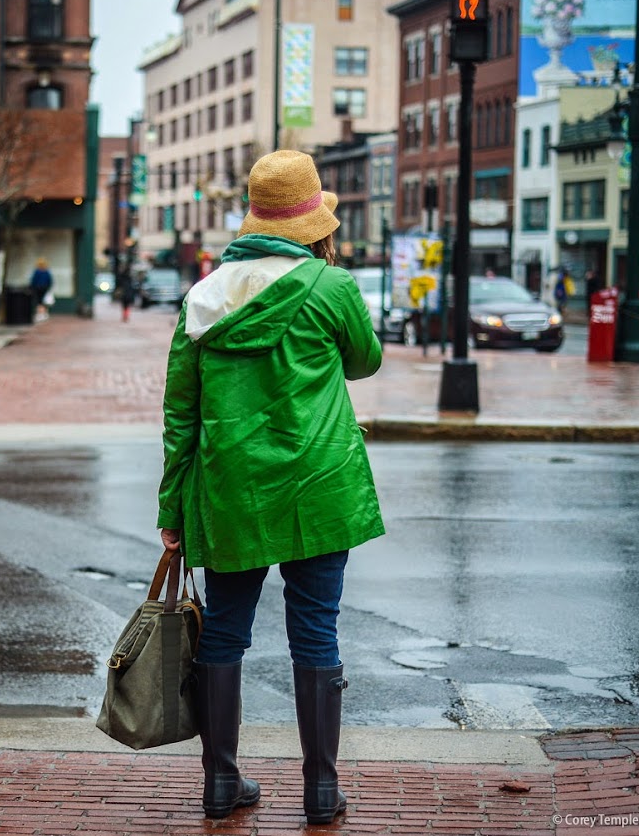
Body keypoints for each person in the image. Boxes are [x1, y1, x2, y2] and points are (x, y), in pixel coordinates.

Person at [157, 150, 385, 824]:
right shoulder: (330, 286)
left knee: (222, 636)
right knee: (316, 635)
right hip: (319, 486)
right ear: (315, 218)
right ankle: (321, 791)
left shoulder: (204, 296)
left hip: (232, 493)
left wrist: (172, 508)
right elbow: (365, 362)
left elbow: (181, 415)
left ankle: (221, 785)